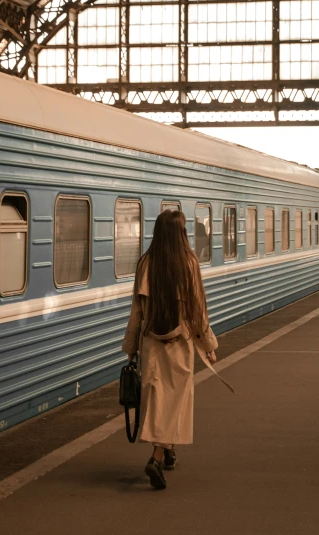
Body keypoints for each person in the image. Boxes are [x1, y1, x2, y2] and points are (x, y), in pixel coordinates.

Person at [122, 210, 219, 491]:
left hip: (151, 345)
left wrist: (131, 348)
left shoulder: (145, 263)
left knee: (158, 401)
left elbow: (136, 311)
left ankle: (169, 451)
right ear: (180, 233)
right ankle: (155, 457)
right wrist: (208, 345)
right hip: (180, 344)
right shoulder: (189, 262)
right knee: (175, 402)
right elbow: (198, 310)